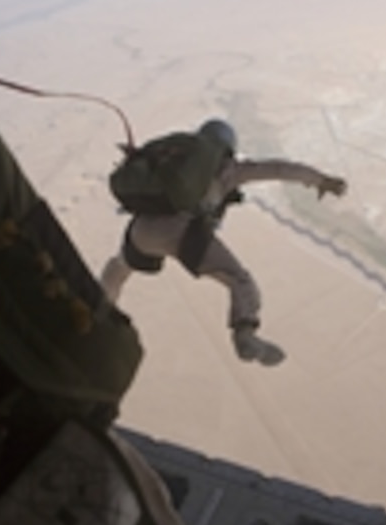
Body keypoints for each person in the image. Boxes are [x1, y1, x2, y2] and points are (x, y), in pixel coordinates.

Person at [100, 119, 348, 366]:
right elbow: (279, 168)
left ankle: (100, 307)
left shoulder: (175, 163)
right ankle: (245, 333)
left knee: (119, 265)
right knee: (239, 280)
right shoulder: (230, 170)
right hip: (182, 233)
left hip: (141, 229)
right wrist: (321, 180)